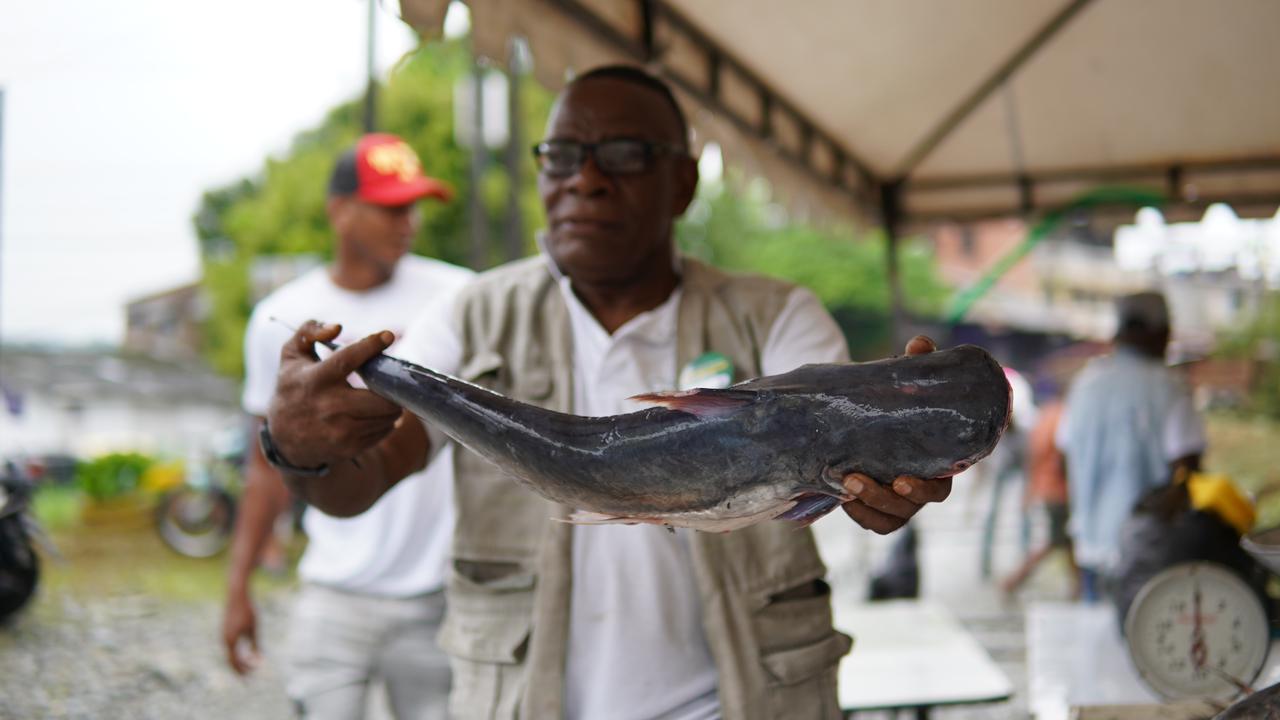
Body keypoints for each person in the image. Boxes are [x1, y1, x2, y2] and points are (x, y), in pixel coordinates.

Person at [260, 66, 953, 720]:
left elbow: (842, 449)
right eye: (560, 155)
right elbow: (365, 478)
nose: (585, 180)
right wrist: (297, 449)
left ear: (682, 183)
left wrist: (878, 487)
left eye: (623, 155)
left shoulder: (776, 315)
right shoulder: (471, 315)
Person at [221, 133, 474, 719]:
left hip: (440, 594)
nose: (408, 221)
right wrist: (237, 589)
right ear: (339, 211)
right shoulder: (278, 320)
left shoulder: (459, 295)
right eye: (390, 206)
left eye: (414, 205)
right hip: (334, 589)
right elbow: (265, 466)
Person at [1054, 291, 1206, 602]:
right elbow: (1189, 473)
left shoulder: (1086, 384)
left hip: (1091, 550)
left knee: (1096, 646)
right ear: (1156, 332)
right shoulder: (1169, 387)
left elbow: (1064, 458)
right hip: (1149, 556)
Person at [999, 394, 1078, 597]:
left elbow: (1033, 456)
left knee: (1066, 541)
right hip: (1060, 490)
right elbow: (1064, 456)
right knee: (1058, 540)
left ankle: (1077, 588)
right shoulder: (1063, 416)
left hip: (1048, 488)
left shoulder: (1046, 417)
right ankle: (1014, 581)